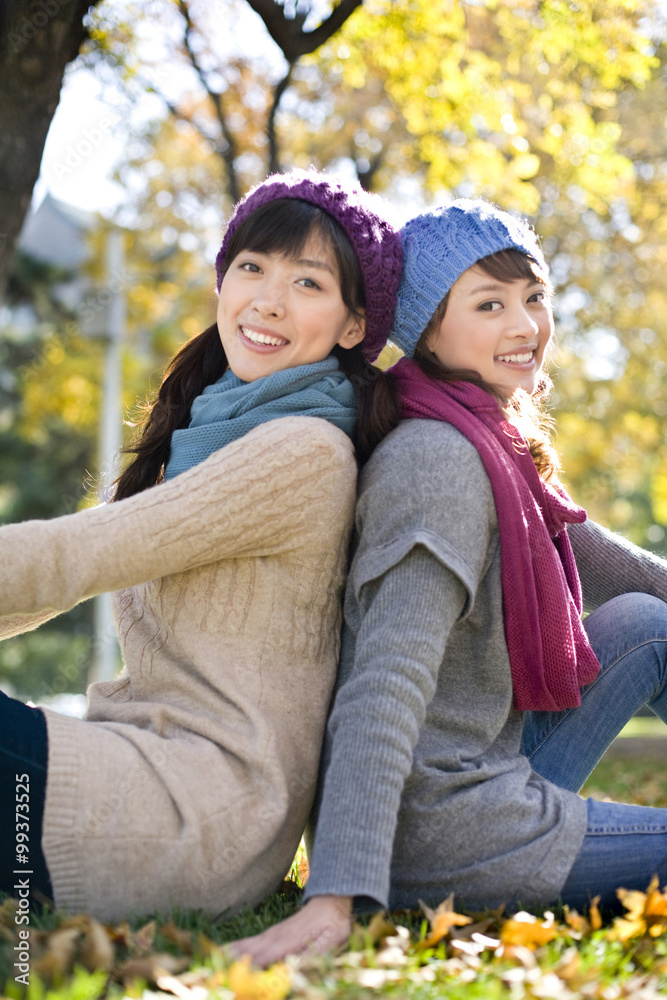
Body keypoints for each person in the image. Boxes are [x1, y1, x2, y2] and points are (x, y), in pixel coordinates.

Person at [234, 198, 667, 966]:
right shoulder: (436, 461)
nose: (525, 325)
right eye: (489, 304)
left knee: (643, 619)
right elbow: (384, 680)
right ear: (428, 329)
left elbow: (613, 568)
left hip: (482, 767)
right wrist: (338, 893)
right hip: (443, 833)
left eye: (534, 297)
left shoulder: (488, 439)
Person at [0, 168, 403, 921]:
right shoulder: (208, 432)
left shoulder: (302, 451)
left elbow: (72, 557)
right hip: (137, 769)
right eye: (251, 268)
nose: (267, 300)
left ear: (353, 326)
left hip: (195, 813)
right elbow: (56, 581)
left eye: (307, 283)